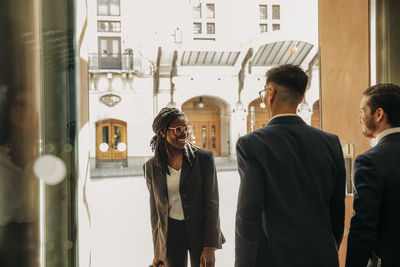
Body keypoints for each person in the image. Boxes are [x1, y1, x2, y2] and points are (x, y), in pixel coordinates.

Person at [235, 64, 346, 267]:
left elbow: (248, 215)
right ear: (301, 98)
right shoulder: (330, 142)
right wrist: (328, 248)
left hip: (274, 258)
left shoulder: (252, 144)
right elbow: (337, 210)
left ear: (270, 92)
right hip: (322, 256)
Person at [144, 107, 224, 267]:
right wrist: (158, 251)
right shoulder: (151, 167)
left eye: (186, 128)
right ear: (162, 132)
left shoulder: (204, 159)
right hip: (171, 233)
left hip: (199, 231)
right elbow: (156, 213)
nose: (184, 133)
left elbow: (212, 204)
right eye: (178, 129)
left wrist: (210, 247)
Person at [346, 83, 400, 267]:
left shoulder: (370, 162)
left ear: (378, 114)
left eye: (363, 111)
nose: (359, 118)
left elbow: (363, 227)